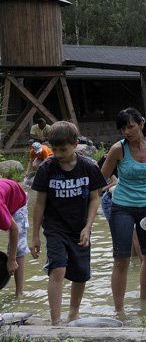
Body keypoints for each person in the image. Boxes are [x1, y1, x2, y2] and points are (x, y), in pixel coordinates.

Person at [30, 121, 106, 324]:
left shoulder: (88, 166)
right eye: (54, 149)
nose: (58, 153)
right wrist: (35, 235)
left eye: (63, 149)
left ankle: (73, 313)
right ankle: (55, 321)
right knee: (58, 268)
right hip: (55, 227)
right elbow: (39, 204)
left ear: (75, 144)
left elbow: (94, 198)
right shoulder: (47, 168)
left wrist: (88, 228)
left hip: (80, 227)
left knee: (80, 274)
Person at [100, 108, 146, 313]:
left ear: (141, 124)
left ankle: (144, 302)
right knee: (121, 258)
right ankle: (119, 310)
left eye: (130, 126)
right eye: (122, 128)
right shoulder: (118, 149)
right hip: (122, 207)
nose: (126, 132)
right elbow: (101, 178)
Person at [1, 178, 26, 297]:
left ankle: (19, 293)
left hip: (17, 202)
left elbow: (14, 230)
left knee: (18, 249)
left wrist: (11, 259)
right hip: (5, 193)